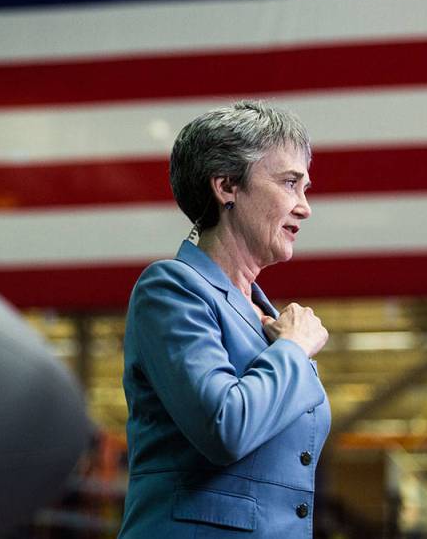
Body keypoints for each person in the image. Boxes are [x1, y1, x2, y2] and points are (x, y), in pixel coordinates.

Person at [119, 100, 331, 538]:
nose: (305, 206)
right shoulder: (172, 288)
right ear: (227, 185)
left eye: (305, 187)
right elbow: (225, 426)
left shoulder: (266, 319)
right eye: (290, 183)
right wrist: (292, 350)